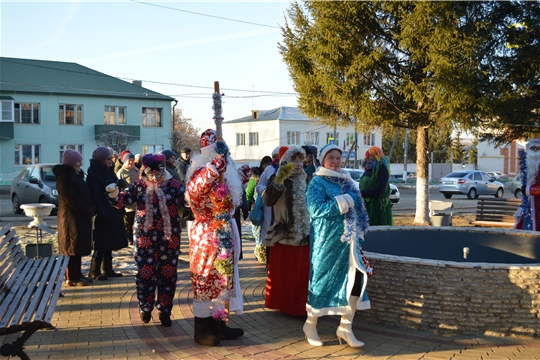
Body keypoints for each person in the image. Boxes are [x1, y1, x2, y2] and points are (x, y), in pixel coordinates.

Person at [304, 144, 372, 348]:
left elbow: (358, 209)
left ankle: (346, 326)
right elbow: (315, 209)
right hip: (327, 243)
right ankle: (310, 324)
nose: (335, 162)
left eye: (338, 158)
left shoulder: (348, 180)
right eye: (331, 158)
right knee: (322, 282)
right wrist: (344, 201)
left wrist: (358, 229)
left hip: (349, 243)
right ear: (323, 160)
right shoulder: (317, 182)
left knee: (356, 280)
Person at [107, 153, 184, 327]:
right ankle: (145, 307)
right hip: (144, 238)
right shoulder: (138, 186)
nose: (155, 177)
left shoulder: (174, 185)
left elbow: (187, 202)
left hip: (169, 237)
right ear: (144, 171)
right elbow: (122, 202)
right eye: (151, 173)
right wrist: (113, 194)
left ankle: (165, 310)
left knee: (168, 273)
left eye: (159, 172)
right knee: (145, 273)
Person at [185, 129, 244, 347]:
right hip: (206, 235)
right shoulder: (201, 170)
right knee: (205, 278)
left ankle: (219, 324)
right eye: (219, 154)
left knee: (223, 278)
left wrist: (240, 175)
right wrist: (212, 169)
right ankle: (201, 328)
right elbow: (194, 191)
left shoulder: (224, 171)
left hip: (225, 231)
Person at [262, 146, 310, 316]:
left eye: (300, 161)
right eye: (294, 161)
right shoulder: (279, 178)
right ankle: (286, 306)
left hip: (303, 234)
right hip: (284, 233)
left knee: (302, 274)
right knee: (286, 274)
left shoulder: (306, 179)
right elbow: (268, 199)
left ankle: (300, 307)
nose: (298, 164)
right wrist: (280, 179)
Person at [52, 149, 95, 287]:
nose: (80, 164)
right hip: (70, 218)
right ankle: (71, 276)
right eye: (78, 161)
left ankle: (78, 274)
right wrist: (88, 209)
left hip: (79, 216)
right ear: (71, 162)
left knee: (78, 246)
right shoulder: (64, 178)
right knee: (72, 247)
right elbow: (71, 199)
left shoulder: (75, 176)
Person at [86, 146, 127, 280]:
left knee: (109, 241)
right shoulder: (93, 174)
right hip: (102, 212)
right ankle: (94, 271)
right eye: (108, 158)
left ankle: (108, 268)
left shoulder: (109, 171)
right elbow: (95, 195)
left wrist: (121, 185)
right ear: (101, 159)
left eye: (111, 158)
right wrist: (103, 212)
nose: (111, 160)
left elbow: (116, 187)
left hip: (113, 209)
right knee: (100, 242)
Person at [256, 147, 280, 267]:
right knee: (269, 235)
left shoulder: (288, 170)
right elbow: (259, 185)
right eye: (275, 156)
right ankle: (269, 262)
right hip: (269, 208)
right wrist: (267, 192)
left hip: (282, 209)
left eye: (279, 156)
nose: (277, 158)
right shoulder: (269, 169)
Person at [359, 146, 393, 226]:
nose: (368, 158)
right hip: (367, 204)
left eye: (370, 156)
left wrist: (361, 193)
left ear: (376, 156)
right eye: (367, 156)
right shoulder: (368, 169)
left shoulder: (382, 169)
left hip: (377, 207)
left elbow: (379, 189)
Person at [116, 150, 140, 246]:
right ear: (125, 161)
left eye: (132, 160)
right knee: (128, 221)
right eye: (129, 160)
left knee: (136, 222)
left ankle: (134, 237)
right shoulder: (121, 172)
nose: (131, 162)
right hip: (127, 200)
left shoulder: (137, 171)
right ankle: (128, 238)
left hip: (137, 200)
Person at [516, 138, 540, 230]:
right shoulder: (529, 165)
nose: (534, 151)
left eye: (537, 148)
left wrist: (528, 189)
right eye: (532, 148)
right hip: (531, 204)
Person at [245, 166, 265, 263]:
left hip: (256, 209)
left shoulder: (253, 180)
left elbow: (248, 193)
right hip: (264, 210)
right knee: (261, 232)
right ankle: (262, 253)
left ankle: (259, 253)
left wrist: (246, 207)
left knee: (257, 233)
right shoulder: (264, 179)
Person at [235, 164, 252, 260]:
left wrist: (245, 208)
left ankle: (237, 253)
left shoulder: (235, 176)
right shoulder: (236, 176)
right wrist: (245, 208)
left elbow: (242, 193)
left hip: (235, 211)